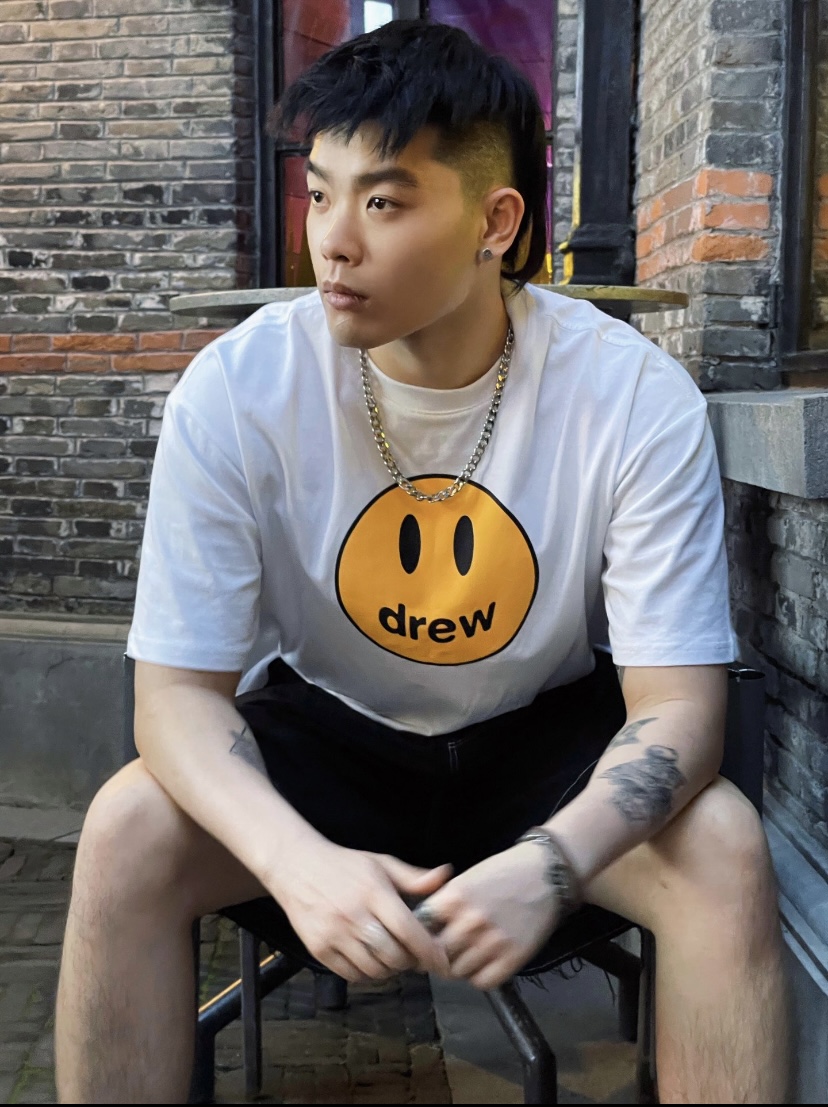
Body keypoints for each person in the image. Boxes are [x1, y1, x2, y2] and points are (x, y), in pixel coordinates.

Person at [55, 19, 788, 1104]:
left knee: (723, 845)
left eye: (384, 202)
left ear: (497, 222)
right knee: (125, 830)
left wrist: (550, 863)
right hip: (333, 739)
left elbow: (680, 708)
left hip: (538, 744)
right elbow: (173, 698)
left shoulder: (630, 394)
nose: (332, 241)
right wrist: (297, 861)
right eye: (320, 194)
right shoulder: (238, 388)